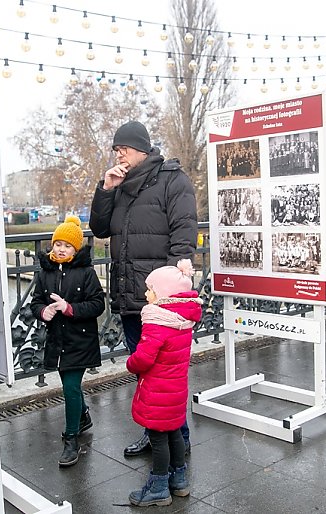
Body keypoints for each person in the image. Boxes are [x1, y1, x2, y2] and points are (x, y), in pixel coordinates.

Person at [89, 120, 197, 457]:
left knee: (164, 376)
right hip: (128, 292)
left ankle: (179, 441)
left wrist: (178, 276)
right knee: (145, 374)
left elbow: (184, 228)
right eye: (116, 149)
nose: (118, 154)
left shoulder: (171, 179)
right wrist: (105, 189)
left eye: (123, 148)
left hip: (159, 298)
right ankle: (154, 434)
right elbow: (99, 228)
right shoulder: (121, 184)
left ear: (141, 148)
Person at [30, 215, 105, 467]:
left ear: (75, 249)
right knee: (70, 385)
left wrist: (69, 308)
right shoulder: (45, 273)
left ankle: (71, 438)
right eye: (58, 244)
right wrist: (44, 312)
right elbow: (35, 303)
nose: (61, 249)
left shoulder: (86, 272)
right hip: (57, 340)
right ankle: (82, 416)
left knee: (70, 386)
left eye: (67, 245)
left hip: (80, 340)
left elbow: (97, 304)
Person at [126, 259, 202, 507]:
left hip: (158, 392)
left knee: (158, 439)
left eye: (150, 289)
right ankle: (179, 480)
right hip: (176, 390)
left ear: (163, 295)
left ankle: (159, 486)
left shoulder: (158, 323)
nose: (146, 293)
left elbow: (144, 359)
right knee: (175, 435)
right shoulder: (181, 319)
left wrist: (130, 363)